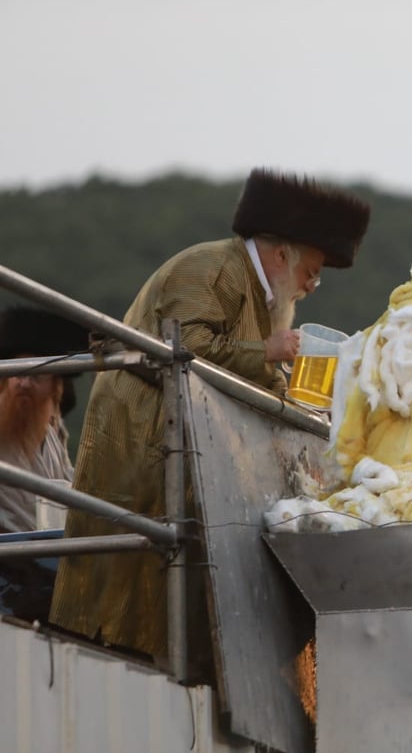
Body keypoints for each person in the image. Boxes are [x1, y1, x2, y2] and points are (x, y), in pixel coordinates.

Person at [49, 168, 370, 670]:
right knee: (127, 587)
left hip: (191, 453)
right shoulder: (209, 267)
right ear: (282, 252)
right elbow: (186, 348)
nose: (314, 283)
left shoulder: (266, 298)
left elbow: (257, 380)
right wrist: (267, 349)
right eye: (313, 268)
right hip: (146, 442)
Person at [0, 307, 91, 532]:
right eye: (18, 373)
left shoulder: (51, 437)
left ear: (55, 387)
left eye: (36, 376)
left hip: (41, 551)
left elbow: (70, 487)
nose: (24, 383)